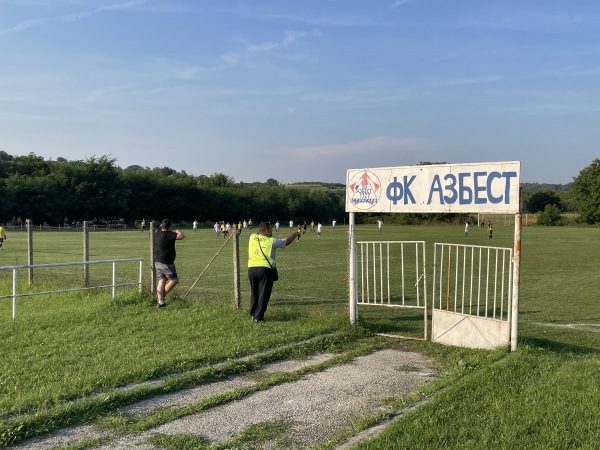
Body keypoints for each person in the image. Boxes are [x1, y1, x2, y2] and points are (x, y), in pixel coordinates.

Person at [248, 222, 301, 321]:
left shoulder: (252, 237)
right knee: (263, 294)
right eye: (271, 230)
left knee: (255, 293)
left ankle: (253, 313)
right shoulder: (272, 241)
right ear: (267, 231)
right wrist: (295, 234)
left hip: (251, 269)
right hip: (264, 269)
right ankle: (258, 317)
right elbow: (286, 241)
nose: (272, 232)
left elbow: (258, 232)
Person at [154, 219, 185, 307]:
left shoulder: (157, 234)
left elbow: (161, 229)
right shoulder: (170, 234)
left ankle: (161, 302)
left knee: (162, 280)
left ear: (161, 226)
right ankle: (161, 296)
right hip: (166, 263)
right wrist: (177, 230)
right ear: (170, 226)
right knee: (174, 280)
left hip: (158, 261)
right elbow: (181, 236)